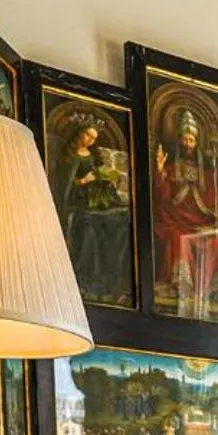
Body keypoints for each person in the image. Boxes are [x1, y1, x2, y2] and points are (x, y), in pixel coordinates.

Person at [153, 107, 218, 321]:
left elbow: (217, 198)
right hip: (177, 219)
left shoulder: (207, 173)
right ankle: (180, 287)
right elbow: (164, 196)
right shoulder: (172, 168)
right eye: (186, 139)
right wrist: (160, 171)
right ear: (180, 140)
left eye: (192, 140)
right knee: (180, 239)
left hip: (202, 221)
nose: (189, 143)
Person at [52, 115, 132, 306]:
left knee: (121, 222)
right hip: (79, 201)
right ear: (80, 133)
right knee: (89, 230)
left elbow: (100, 174)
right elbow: (63, 186)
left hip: (98, 199)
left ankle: (113, 283)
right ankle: (89, 282)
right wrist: (82, 181)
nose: (89, 140)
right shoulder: (68, 157)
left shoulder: (93, 156)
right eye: (88, 135)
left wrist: (105, 179)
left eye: (93, 138)